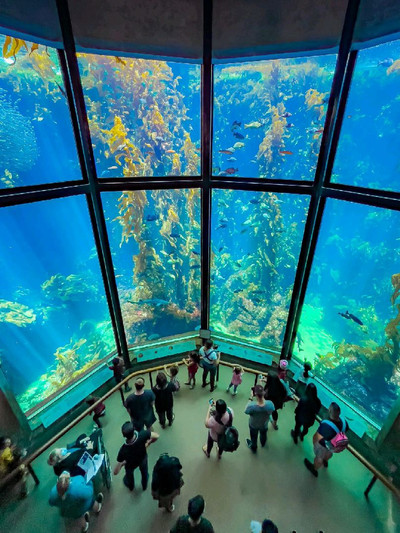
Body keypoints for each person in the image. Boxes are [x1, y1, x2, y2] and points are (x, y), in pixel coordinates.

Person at [304, 402, 349, 477]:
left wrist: (315, 443)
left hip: (324, 445)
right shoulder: (344, 422)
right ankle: (325, 460)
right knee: (329, 453)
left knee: (319, 457)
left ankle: (314, 468)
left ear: (329, 411)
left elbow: (317, 437)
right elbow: (344, 432)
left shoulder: (327, 426)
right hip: (334, 445)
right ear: (339, 412)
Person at [114, 421, 159, 491]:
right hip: (142, 458)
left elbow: (115, 472)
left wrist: (122, 463)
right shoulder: (143, 434)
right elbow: (156, 436)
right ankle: (144, 485)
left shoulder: (123, 450)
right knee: (144, 472)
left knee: (129, 476)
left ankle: (131, 486)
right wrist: (148, 443)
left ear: (123, 435)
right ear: (134, 429)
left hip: (130, 464)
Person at [245, 385, 275, 452]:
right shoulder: (270, 404)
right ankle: (263, 443)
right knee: (263, 434)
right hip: (264, 424)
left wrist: (250, 398)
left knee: (254, 437)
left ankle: (254, 447)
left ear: (254, 394)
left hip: (253, 425)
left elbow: (246, 411)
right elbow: (271, 411)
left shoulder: (252, 406)